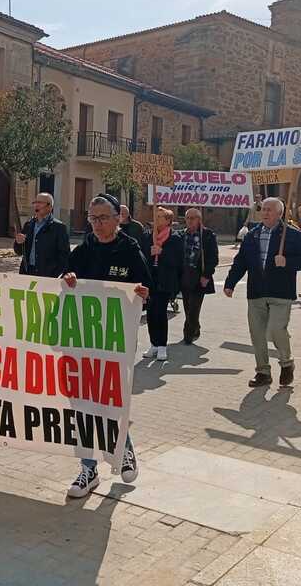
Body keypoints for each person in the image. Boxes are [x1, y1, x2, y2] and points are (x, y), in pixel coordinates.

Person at [62, 193, 150, 497]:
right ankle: (88, 469)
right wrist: (68, 279)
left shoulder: (131, 251)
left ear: (117, 218)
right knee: (82, 405)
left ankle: (123, 448)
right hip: (81, 340)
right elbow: (62, 284)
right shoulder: (82, 251)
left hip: (114, 344)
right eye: (92, 218)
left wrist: (143, 292)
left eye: (103, 218)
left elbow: (150, 289)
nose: (97, 224)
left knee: (110, 401)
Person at [224, 197, 301, 388]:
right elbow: (241, 262)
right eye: (263, 209)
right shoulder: (252, 235)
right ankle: (263, 372)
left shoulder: (292, 235)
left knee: (276, 329)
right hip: (256, 292)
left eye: (270, 210)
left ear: (280, 213)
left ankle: (287, 364)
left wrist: (287, 262)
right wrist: (230, 283)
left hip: (281, 292)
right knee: (258, 334)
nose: (265, 212)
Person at [140, 207, 184, 361]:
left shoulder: (175, 237)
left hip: (165, 280)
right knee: (150, 313)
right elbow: (141, 256)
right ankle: (153, 344)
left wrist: (162, 253)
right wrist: (149, 252)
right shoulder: (147, 235)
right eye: (156, 216)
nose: (157, 219)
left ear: (168, 220)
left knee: (160, 312)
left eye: (160, 217)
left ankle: (162, 346)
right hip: (151, 279)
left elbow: (178, 260)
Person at [180, 208, 218, 344]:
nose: (190, 221)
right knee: (187, 306)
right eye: (188, 218)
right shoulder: (181, 234)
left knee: (194, 307)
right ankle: (195, 327)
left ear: (199, 219)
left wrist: (206, 275)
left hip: (199, 275)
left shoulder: (207, 235)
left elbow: (213, 258)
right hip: (184, 274)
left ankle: (188, 334)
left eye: (193, 218)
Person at [13, 192, 70, 278]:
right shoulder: (28, 225)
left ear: (50, 207)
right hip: (26, 274)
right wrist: (18, 242)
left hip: (46, 276)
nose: (36, 205)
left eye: (40, 203)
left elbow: (64, 256)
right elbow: (19, 251)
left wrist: (53, 274)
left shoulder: (59, 227)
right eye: (35, 202)